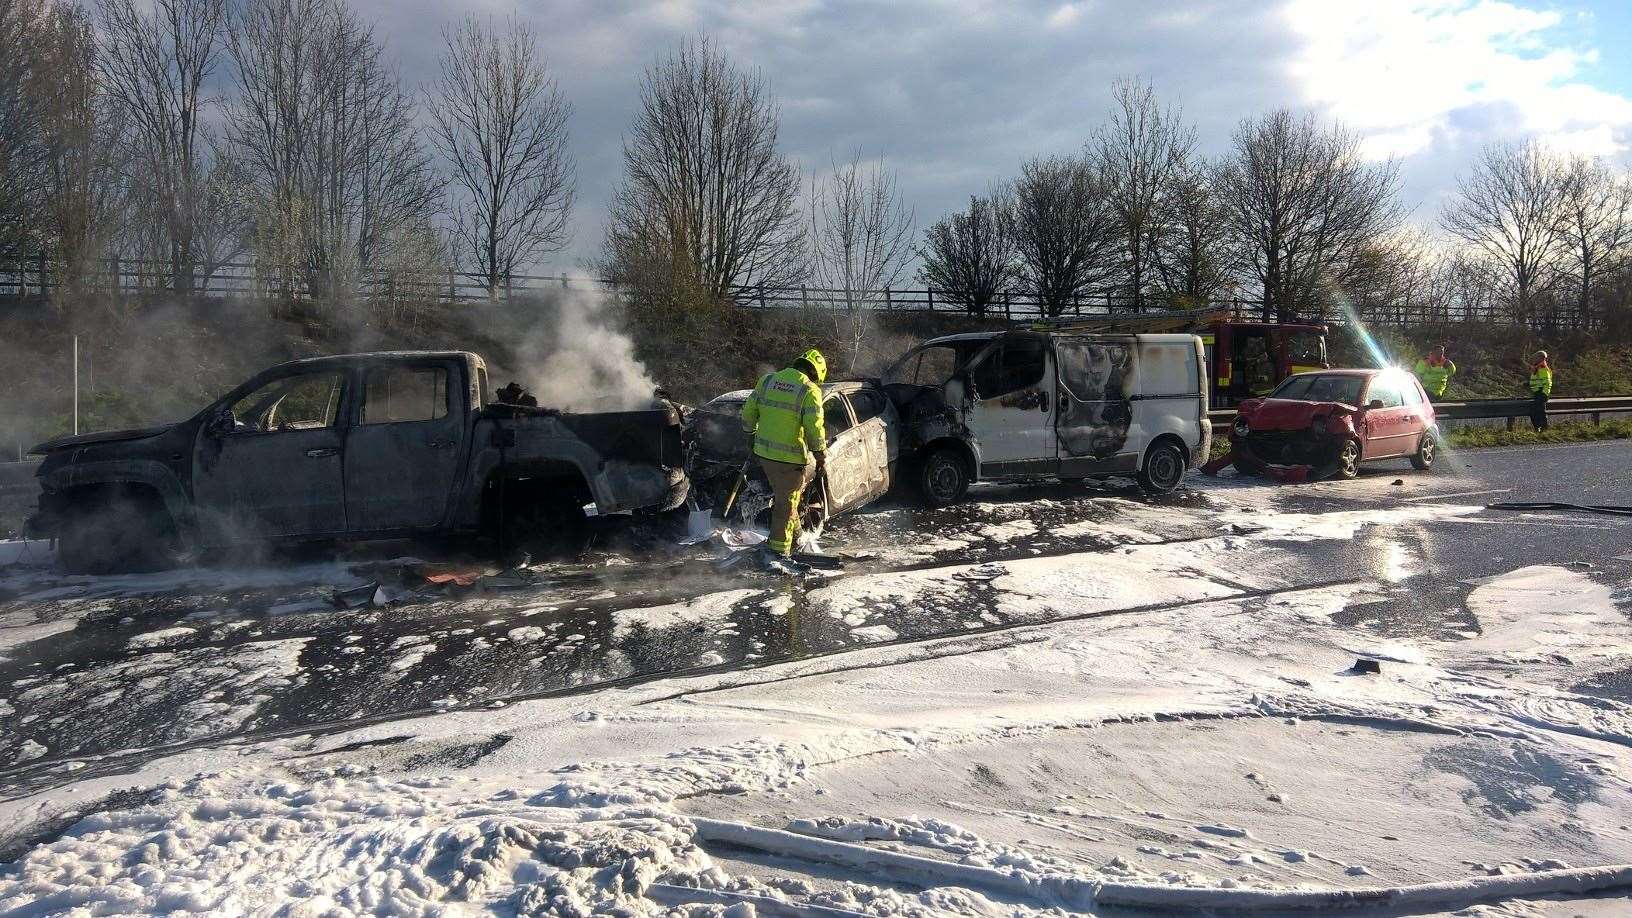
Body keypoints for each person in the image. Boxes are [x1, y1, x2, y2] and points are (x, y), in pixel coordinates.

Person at [740, 349, 828, 572]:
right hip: (789, 459)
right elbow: (814, 428)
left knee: (787, 499)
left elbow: (749, 412)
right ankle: (779, 551)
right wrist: (820, 456)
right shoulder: (810, 390)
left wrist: (750, 434)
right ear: (815, 373)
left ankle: (797, 537)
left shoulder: (768, 381)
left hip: (765, 455)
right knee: (785, 504)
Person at [1527, 350, 1553, 431]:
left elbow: (1547, 382)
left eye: (1536, 358)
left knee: (1539, 411)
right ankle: (1540, 428)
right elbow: (1537, 380)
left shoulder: (1542, 368)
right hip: (1538, 392)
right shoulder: (1537, 368)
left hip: (1541, 393)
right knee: (1537, 411)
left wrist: (1544, 393)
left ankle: (1543, 428)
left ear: (1540, 359)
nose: (1534, 360)